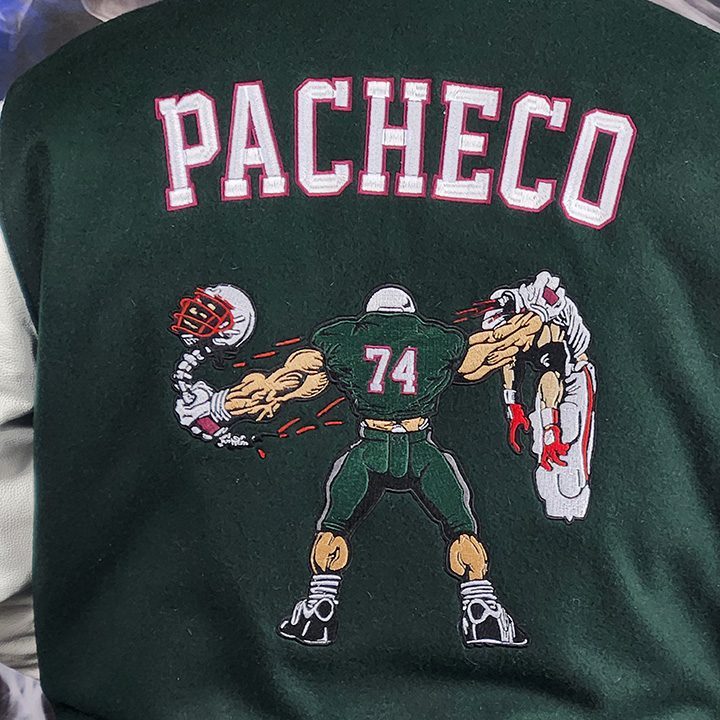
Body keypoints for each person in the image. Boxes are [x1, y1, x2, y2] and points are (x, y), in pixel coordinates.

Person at [1, 1, 719, 719]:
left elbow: (286, 384)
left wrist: (220, 405)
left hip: (351, 469)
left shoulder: (62, 108)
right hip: (432, 461)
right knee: (462, 530)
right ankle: (481, 603)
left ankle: (320, 602)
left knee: (333, 528)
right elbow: (487, 353)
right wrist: (540, 318)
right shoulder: (695, 90)